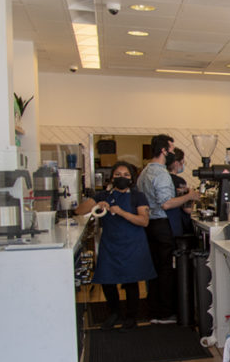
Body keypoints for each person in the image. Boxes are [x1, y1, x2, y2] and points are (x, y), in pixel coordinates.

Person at [76, 162, 155, 330]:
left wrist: (121, 212)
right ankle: (114, 312)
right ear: (112, 177)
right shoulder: (102, 195)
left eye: (126, 175)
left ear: (131, 179)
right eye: (118, 174)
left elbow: (144, 221)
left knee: (131, 280)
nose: (122, 178)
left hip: (133, 244)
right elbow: (79, 210)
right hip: (110, 244)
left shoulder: (138, 197)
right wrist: (96, 205)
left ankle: (131, 316)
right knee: (107, 280)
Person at [137, 134, 199, 324]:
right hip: (163, 225)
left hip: (150, 226)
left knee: (156, 269)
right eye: (171, 150)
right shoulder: (162, 174)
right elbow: (166, 204)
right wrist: (190, 196)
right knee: (166, 270)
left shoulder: (144, 172)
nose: (173, 153)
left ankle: (155, 309)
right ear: (164, 151)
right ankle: (165, 312)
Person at [166, 148, 193, 237]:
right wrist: (192, 196)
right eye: (182, 162)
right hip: (176, 223)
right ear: (176, 163)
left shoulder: (163, 178)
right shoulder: (179, 181)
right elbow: (187, 209)